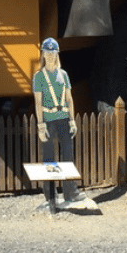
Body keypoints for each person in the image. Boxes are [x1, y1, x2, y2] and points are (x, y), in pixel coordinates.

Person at [31, 37, 85, 209]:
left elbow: (69, 99)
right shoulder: (38, 77)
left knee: (68, 155)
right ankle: (50, 195)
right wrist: (40, 125)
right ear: (43, 55)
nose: (51, 56)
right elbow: (38, 103)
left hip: (63, 119)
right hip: (48, 121)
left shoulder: (64, 75)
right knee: (48, 158)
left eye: (54, 53)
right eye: (48, 53)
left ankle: (71, 192)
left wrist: (72, 121)